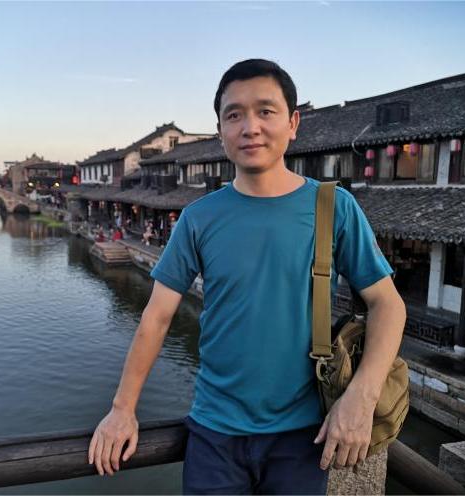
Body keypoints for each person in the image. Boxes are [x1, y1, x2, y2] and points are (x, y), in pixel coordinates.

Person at [88, 59, 406, 494]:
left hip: (304, 433)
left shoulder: (333, 207)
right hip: (214, 431)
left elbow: (387, 303)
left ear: (293, 123)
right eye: (234, 115)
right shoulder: (198, 218)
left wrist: (361, 397)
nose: (250, 127)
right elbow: (157, 317)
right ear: (220, 131)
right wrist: (122, 409)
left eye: (265, 111)